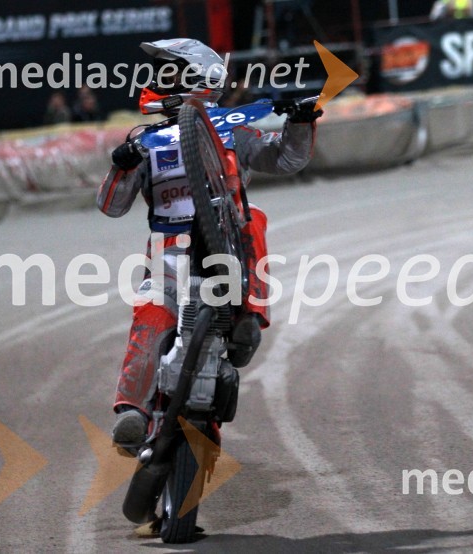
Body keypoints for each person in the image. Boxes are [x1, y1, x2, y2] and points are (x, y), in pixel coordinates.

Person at [98, 38, 322, 443]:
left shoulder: (233, 129)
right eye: (161, 73)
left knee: (253, 218)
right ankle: (132, 413)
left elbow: (286, 159)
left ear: (202, 77)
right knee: (150, 316)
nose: (159, 80)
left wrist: (301, 121)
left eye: (171, 72)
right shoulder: (144, 141)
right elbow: (112, 206)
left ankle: (248, 318)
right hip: (167, 254)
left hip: (228, 239)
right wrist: (122, 166)